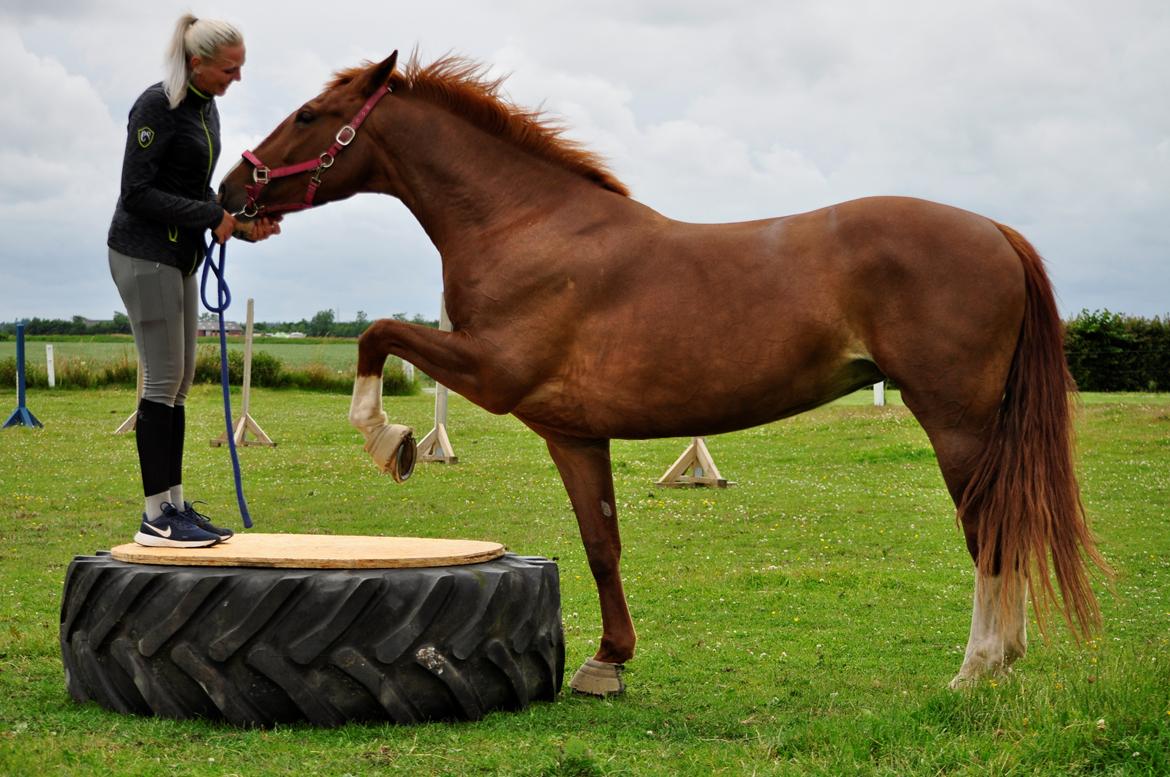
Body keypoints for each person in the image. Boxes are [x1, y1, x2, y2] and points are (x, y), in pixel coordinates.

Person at [108, 14, 280, 548]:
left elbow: (195, 189)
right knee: (161, 383)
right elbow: (137, 193)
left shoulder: (207, 109)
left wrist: (243, 229)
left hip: (181, 257)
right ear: (197, 62)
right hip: (143, 254)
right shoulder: (156, 105)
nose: (237, 78)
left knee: (179, 385)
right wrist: (211, 219)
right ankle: (156, 518)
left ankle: (174, 505)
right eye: (230, 69)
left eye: (240, 68)